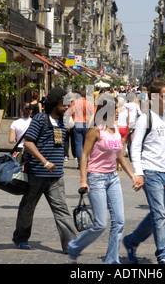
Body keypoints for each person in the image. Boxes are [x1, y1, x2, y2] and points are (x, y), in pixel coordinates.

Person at [67, 96, 141, 264]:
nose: (116, 112)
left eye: (116, 109)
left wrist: (133, 175)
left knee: (119, 221)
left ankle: (111, 260)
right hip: (96, 179)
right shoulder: (95, 130)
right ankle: (75, 247)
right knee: (100, 224)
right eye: (113, 109)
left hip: (113, 178)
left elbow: (120, 157)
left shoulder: (114, 129)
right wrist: (83, 180)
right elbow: (84, 156)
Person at [12, 87, 77, 252]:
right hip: (37, 173)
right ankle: (21, 238)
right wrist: (45, 162)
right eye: (64, 104)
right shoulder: (41, 118)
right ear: (55, 104)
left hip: (56, 175)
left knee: (62, 210)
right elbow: (28, 142)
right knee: (28, 207)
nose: (66, 107)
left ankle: (70, 245)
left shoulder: (63, 121)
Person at [123, 78, 165, 265]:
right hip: (150, 171)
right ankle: (164, 255)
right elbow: (135, 147)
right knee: (160, 214)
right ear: (154, 98)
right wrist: (138, 172)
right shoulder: (145, 118)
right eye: (164, 97)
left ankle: (131, 241)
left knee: (158, 213)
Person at [65, 89, 95, 169]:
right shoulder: (89, 103)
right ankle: (87, 163)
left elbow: (68, 114)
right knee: (87, 145)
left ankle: (80, 164)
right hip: (87, 125)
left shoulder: (74, 103)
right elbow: (94, 115)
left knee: (78, 145)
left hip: (77, 124)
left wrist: (67, 125)